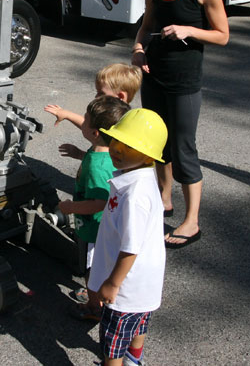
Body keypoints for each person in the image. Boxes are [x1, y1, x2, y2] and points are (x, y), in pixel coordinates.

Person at [130, 0, 229, 249]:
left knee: (184, 149)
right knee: (158, 144)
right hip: (153, 75)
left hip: (184, 80)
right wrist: (138, 50)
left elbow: (222, 35)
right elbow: (145, 28)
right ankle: (164, 198)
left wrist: (190, 31)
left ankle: (192, 221)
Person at [90, 108, 168, 366]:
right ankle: (135, 358)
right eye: (116, 140)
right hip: (143, 283)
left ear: (148, 156)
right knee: (138, 325)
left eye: (129, 146)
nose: (118, 149)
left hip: (126, 285)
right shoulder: (141, 177)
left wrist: (113, 283)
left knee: (112, 343)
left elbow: (130, 247)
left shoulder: (134, 196)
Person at [57, 95, 130, 321]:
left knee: (92, 271)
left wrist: (70, 207)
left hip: (94, 230)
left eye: (86, 119)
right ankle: (97, 296)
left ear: (95, 132)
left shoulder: (97, 167)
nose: (83, 121)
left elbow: (99, 202)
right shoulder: (108, 151)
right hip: (104, 227)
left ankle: (93, 305)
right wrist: (80, 154)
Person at [44, 63, 142, 130]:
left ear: (120, 96)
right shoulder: (111, 113)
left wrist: (67, 114)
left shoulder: (119, 123)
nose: (96, 97)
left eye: (101, 93)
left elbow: (89, 129)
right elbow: (91, 128)